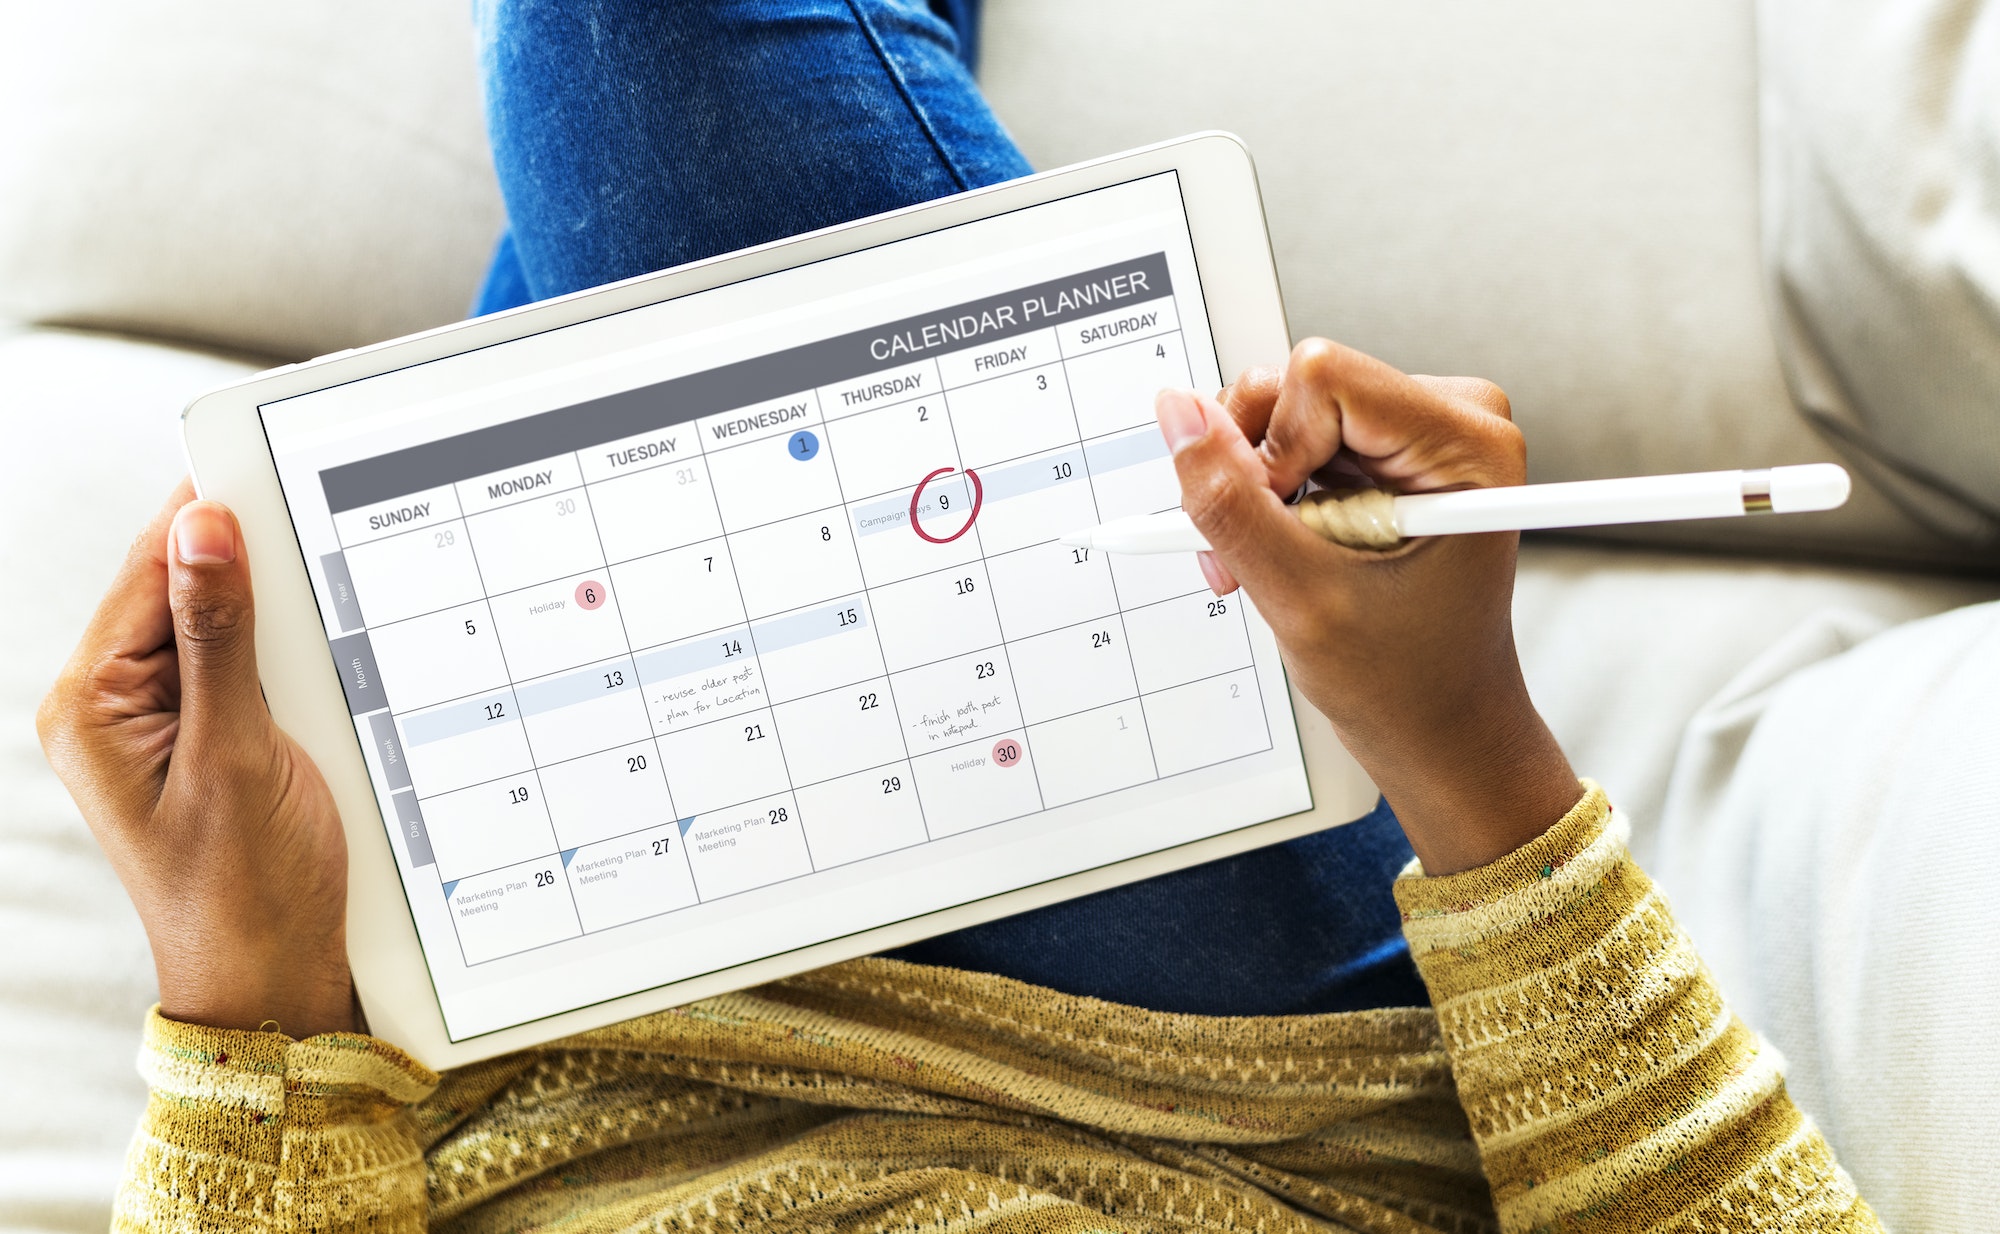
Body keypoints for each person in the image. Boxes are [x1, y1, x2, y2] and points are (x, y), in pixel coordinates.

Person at [35, 1, 1882, 1229]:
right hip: (1205, 1092)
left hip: (510, 1049)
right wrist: (1473, 756)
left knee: (644, 101)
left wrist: (252, 1024)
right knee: (658, 64)